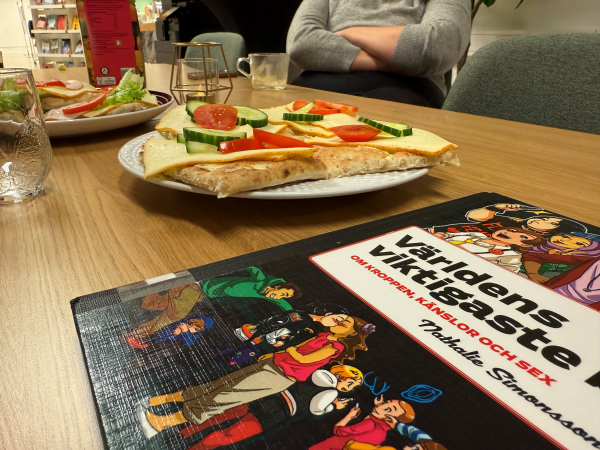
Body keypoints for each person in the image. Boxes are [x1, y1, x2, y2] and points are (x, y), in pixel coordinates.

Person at [136, 316, 374, 437]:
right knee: (218, 385)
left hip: (280, 376)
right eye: (343, 318)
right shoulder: (324, 335)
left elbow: (303, 360)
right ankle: (159, 400)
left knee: (224, 397)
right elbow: (293, 353)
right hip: (272, 365)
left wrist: (288, 350)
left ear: (350, 333)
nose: (340, 321)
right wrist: (276, 355)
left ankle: (162, 423)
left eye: (346, 323)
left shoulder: (336, 347)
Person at [286, 0, 471, 108]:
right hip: (317, 85)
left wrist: (353, 33)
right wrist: (397, 60)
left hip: (404, 90)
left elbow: (434, 47)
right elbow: (300, 43)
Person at [177, 365, 364, 449]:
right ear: (342, 376)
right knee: (229, 436)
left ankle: (183, 432)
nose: (349, 388)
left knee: (220, 415)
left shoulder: (316, 372)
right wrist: (332, 407)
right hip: (280, 412)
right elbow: (316, 409)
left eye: (353, 387)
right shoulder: (332, 393)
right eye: (350, 383)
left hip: (270, 397)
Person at [126, 268, 302, 347]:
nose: (280, 296)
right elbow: (245, 262)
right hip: (198, 284)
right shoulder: (260, 279)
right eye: (283, 292)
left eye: (284, 296)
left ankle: (143, 291)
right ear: (278, 286)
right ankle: (137, 334)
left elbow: (287, 307)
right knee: (177, 314)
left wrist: (301, 320)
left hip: (201, 294)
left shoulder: (266, 296)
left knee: (156, 304)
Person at [309, 395, 415, 450]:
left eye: (388, 409)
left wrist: (349, 416)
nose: (381, 405)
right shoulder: (381, 434)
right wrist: (376, 408)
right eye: (386, 402)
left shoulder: (370, 424)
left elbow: (338, 430)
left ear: (392, 419)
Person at [435, 227, 546, 272]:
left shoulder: (511, 255)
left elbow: (507, 273)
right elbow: (447, 235)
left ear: (524, 245)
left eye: (522, 236)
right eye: (510, 230)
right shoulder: (476, 234)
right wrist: (440, 235)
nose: (508, 233)